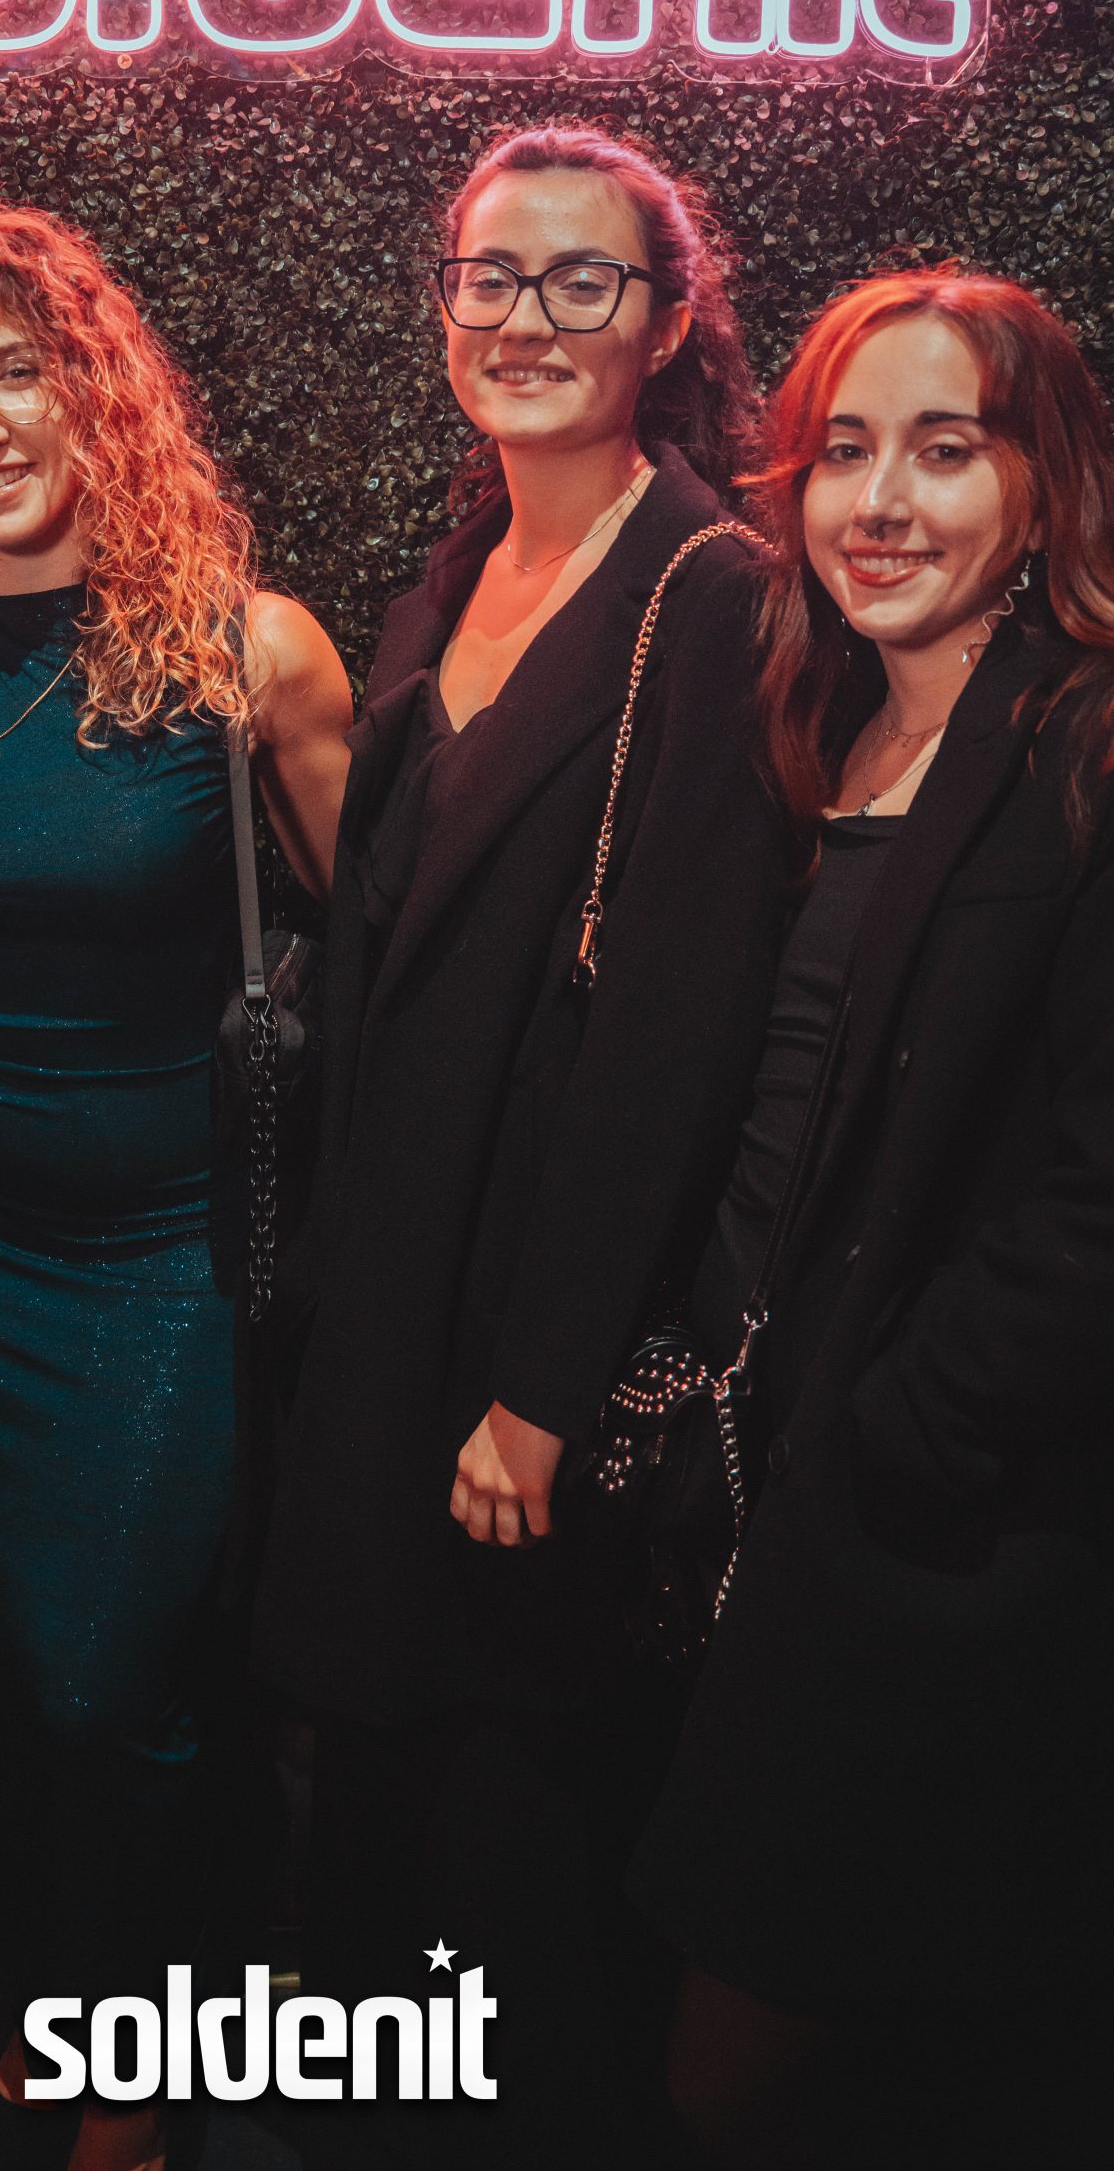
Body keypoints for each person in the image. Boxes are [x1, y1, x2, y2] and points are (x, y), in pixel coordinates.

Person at [252, 124, 793, 2168]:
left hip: (513, 1346)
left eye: (582, 279)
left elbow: (673, 1034)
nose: (525, 318)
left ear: (666, 321)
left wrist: (548, 1386)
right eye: (490, 276)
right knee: (379, 1849)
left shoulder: (712, 591)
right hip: (383, 1310)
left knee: (510, 1879)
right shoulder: (452, 573)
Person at [0, 202, 351, 2171]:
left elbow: (382, 953)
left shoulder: (245, 654)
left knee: (111, 1679)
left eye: (15, 370)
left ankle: (145, 2057)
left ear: (94, 384)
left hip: (165, 1260)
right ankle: (37, 2012)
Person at [629, 270, 1114, 2170]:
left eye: (946, 449)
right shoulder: (824, 727)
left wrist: (892, 1438)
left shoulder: (1086, 750)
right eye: (843, 452)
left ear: (1046, 483)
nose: (882, 502)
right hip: (764, 1497)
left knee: (752, 2064)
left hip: (935, 1540)